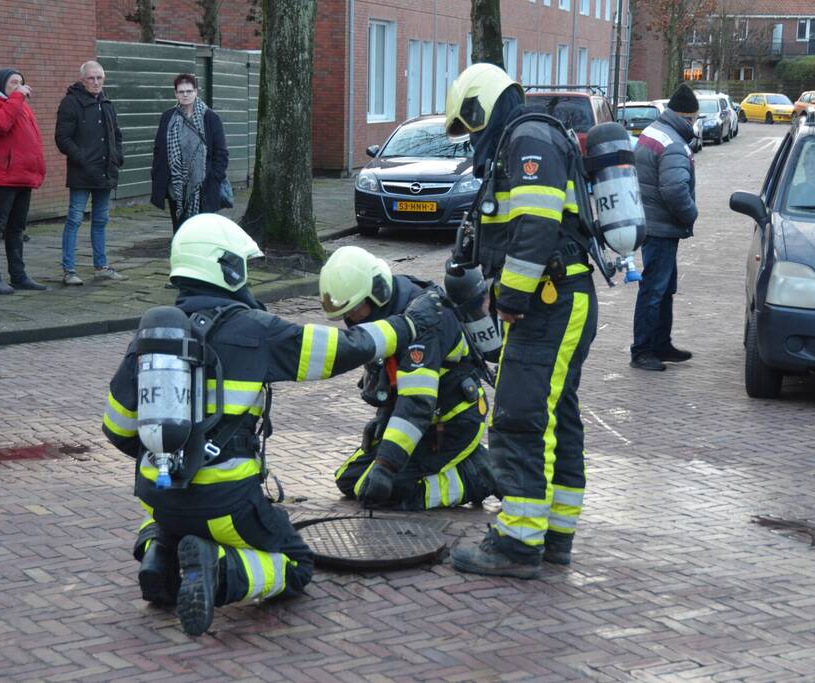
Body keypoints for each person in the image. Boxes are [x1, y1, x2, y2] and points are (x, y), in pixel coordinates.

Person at [101, 215, 441, 636]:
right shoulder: (256, 329)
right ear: (226, 267)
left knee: (176, 517)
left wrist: (171, 456)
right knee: (296, 564)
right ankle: (220, 572)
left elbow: (116, 429)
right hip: (226, 502)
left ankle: (159, 554)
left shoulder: (151, 335)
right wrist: (408, 325)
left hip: (159, 495)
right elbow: (346, 347)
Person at [443, 63, 598, 579]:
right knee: (556, 418)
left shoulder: (527, 139)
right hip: (557, 299)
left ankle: (517, 542)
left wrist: (508, 297)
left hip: (547, 302)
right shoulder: (528, 136)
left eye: (469, 126)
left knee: (518, 416)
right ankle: (554, 534)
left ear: (480, 105)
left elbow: (535, 224)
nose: (471, 140)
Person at [318, 246, 497, 511]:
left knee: (396, 492)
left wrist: (386, 465)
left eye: (354, 311)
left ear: (376, 294)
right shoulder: (386, 311)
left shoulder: (424, 322)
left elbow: (416, 404)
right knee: (351, 480)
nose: (350, 321)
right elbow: (390, 381)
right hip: (423, 425)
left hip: (451, 425)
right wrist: (382, 423)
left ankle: (478, 475)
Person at [629, 83, 699, 372]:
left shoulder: (653, 132)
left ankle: (660, 343)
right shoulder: (673, 144)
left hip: (652, 223)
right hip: (661, 228)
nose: (695, 125)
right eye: (694, 119)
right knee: (655, 289)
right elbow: (674, 190)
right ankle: (643, 349)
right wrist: (691, 214)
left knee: (663, 288)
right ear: (686, 117)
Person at [55, 61, 126, 286]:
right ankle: (69, 270)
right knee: (75, 219)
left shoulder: (106, 102)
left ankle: (101, 266)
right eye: (91, 78)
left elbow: (116, 134)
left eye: (99, 78)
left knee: (101, 220)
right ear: (82, 79)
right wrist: (83, 159)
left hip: (105, 172)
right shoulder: (70, 103)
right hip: (82, 172)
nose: (96, 82)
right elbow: (62, 139)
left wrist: (117, 157)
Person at [0, 68, 47, 295]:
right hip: (4, 176)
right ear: (1, 85)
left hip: (23, 175)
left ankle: (18, 276)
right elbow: (0, 124)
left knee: (17, 228)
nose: (19, 87)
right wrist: (18, 96)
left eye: (21, 83)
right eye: (13, 83)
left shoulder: (18, 104)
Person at [150, 74, 229, 235]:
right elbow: (159, 148)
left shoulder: (210, 118)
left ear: (196, 92)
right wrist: (157, 174)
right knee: (179, 229)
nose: (185, 95)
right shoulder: (168, 117)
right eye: (181, 92)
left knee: (203, 230)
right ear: (175, 94)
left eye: (189, 91)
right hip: (176, 184)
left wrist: (214, 176)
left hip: (203, 184)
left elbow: (221, 152)